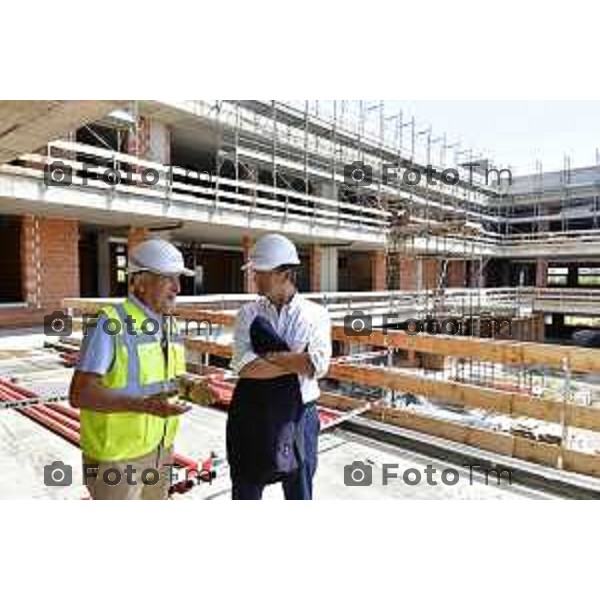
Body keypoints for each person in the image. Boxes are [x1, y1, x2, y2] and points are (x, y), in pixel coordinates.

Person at [69, 238, 194, 500]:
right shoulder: (110, 323)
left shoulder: (168, 323)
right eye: (168, 278)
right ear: (140, 281)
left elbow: (165, 379)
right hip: (117, 459)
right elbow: (80, 394)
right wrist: (146, 406)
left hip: (160, 449)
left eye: (178, 278)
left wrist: (191, 384)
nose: (177, 288)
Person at [228, 233, 332, 500]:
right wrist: (295, 360)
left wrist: (267, 356)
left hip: (301, 417)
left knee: (299, 492)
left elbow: (316, 366)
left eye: (260, 272)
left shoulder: (315, 315)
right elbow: (244, 367)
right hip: (255, 412)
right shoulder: (248, 314)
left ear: (283, 273)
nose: (254, 278)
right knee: (246, 489)